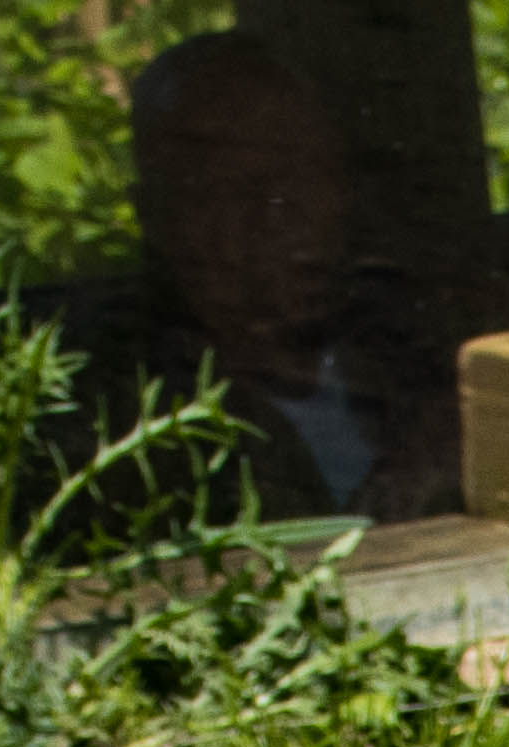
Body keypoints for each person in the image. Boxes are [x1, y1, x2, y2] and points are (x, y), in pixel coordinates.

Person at [124, 29, 452, 519]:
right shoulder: (144, 425)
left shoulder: (409, 339)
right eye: (236, 190)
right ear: (161, 217)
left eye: (309, 177)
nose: (284, 219)